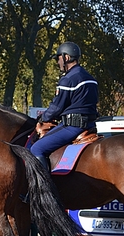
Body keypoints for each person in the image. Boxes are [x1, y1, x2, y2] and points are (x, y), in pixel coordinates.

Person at [30, 41, 99, 170]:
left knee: (36, 148)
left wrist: (43, 118)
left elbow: (56, 108)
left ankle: (44, 188)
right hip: (90, 125)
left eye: (59, 58)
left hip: (72, 127)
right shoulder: (91, 78)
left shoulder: (68, 79)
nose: (58, 62)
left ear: (66, 58)